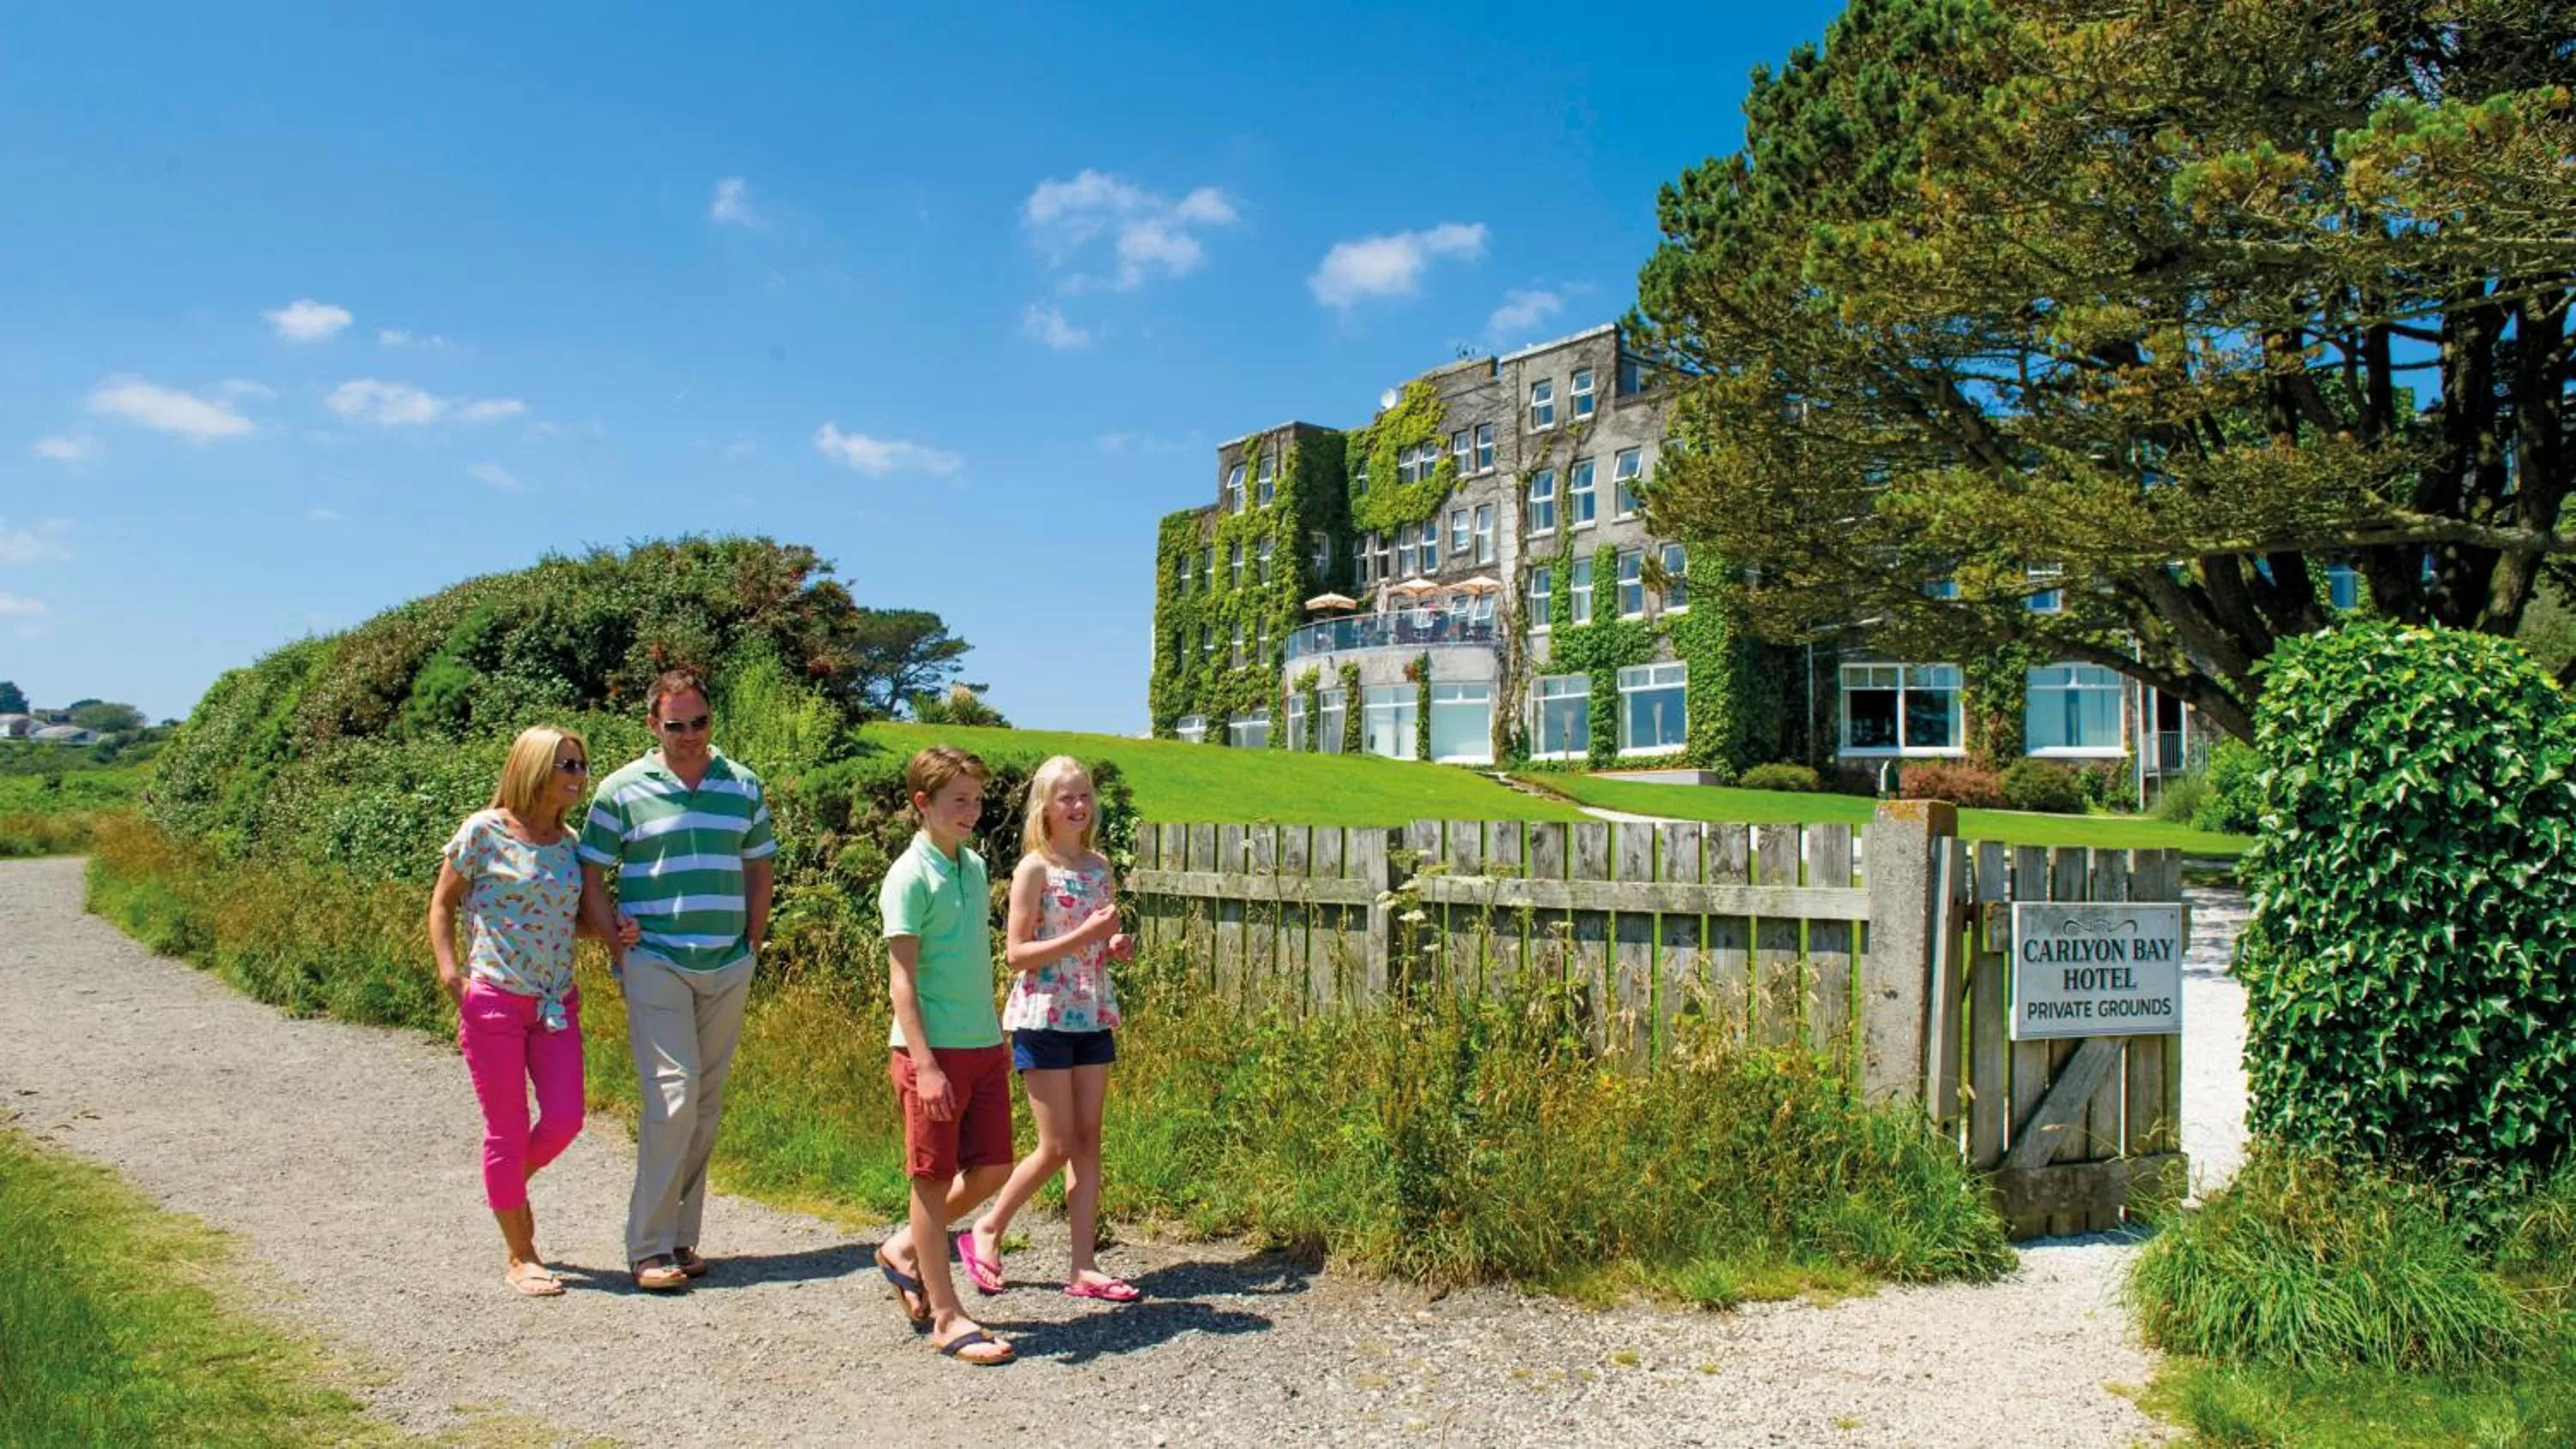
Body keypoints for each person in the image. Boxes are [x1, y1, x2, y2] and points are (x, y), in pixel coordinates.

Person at [577, 670, 776, 1293]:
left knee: (707, 1104)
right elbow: (590, 869)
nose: (689, 736)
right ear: (652, 726)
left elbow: (760, 861)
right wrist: (614, 938)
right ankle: (648, 1245)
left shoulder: (741, 784)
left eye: (699, 723)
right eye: (675, 725)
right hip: (656, 959)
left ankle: (682, 1238)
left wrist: (753, 937)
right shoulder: (621, 790)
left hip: (726, 961)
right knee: (674, 1096)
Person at [428, 724, 636, 1297]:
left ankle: (507, 1189)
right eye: (566, 765)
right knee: (508, 1128)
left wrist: (615, 928)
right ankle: (521, 1253)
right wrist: (453, 976)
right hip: (493, 999)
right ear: (533, 768)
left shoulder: (571, 846)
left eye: (580, 765)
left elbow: (571, 918)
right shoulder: (484, 832)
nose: (578, 776)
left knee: (566, 1119)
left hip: (555, 1002)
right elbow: (442, 906)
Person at [958, 755, 1139, 1304]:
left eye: (1084, 795)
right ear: (1046, 806)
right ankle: (987, 1228)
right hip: (1043, 1016)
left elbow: (1096, 939)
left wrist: (1112, 946)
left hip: (1092, 1011)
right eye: (1067, 798)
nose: (1079, 806)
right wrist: (1083, 934)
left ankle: (1083, 1267)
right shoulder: (1034, 869)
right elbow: (1016, 954)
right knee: (1056, 1144)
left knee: (1087, 1143)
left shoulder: (1099, 866)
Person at [872, 745, 1017, 1365]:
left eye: (978, 799)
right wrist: (925, 1064)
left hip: (982, 1043)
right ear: (923, 804)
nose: (973, 811)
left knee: (994, 1168)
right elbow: (901, 980)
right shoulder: (909, 876)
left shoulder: (975, 867)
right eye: (959, 800)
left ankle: (904, 1249)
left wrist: (996, 1033)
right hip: (930, 1052)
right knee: (930, 1180)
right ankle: (948, 1315)